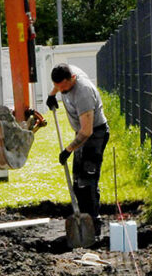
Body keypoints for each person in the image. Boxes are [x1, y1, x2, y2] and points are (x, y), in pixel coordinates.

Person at [45, 63, 109, 230]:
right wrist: (52, 94)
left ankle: (94, 224)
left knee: (88, 180)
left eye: (63, 87)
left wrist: (68, 150)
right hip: (82, 134)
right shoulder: (67, 74)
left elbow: (86, 131)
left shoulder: (83, 93)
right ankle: (81, 218)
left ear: (72, 79)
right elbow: (59, 84)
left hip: (95, 134)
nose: (61, 90)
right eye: (57, 87)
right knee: (77, 180)